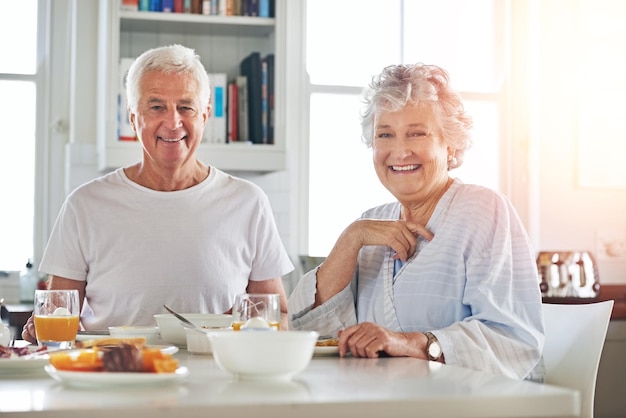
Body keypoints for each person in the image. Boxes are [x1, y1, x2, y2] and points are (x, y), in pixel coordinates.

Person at [288, 63, 544, 381]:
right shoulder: (372, 223)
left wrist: (410, 343)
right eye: (385, 134)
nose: (400, 150)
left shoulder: (483, 210)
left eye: (417, 133)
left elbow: (512, 341)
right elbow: (309, 331)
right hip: (384, 401)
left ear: (450, 144)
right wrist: (352, 237)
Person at [22, 44, 293, 342]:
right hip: (115, 377)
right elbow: (58, 313)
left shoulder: (248, 202)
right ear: (133, 117)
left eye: (186, 106)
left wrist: (241, 324)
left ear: (205, 114)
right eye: (156, 106)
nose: (173, 122)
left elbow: (276, 313)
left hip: (218, 381)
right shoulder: (84, 204)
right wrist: (42, 327)